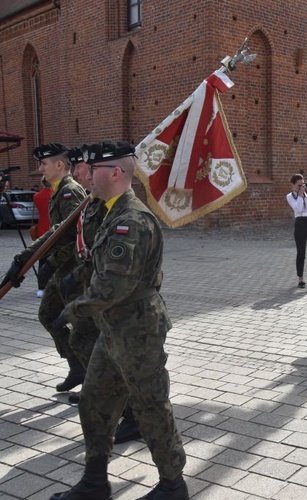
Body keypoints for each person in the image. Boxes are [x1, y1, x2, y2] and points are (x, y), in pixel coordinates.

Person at [50, 140, 188, 500]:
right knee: (94, 402)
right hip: (112, 330)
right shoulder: (108, 211)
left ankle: (173, 486)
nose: (86, 175)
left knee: (150, 406)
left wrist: (72, 310)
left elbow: (112, 286)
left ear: (115, 172)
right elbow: (94, 264)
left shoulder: (132, 220)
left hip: (137, 330)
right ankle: (95, 481)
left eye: (93, 169)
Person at [2, 143, 88, 393]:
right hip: (61, 267)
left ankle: (95, 382)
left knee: (85, 327)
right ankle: (77, 367)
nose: (40, 168)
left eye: (44, 163)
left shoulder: (70, 191)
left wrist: (27, 257)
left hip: (75, 270)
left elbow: (68, 232)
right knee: (48, 315)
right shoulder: (58, 190)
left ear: (59, 165)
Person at [33, 177, 54, 297]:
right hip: (54, 230)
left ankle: (41, 287)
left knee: (42, 260)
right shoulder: (55, 195)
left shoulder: (37, 196)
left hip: (41, 230)